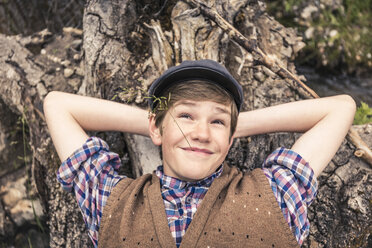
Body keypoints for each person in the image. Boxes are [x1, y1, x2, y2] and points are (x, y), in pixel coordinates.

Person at [43, 60, 356, 247]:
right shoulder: (111, 201)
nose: (202, 133)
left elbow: (340, 107)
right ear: (156, 128)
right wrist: (161, 125)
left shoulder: (277, 193)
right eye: (187, 115)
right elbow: (58, 105)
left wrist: (232, 127)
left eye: (216, 121)